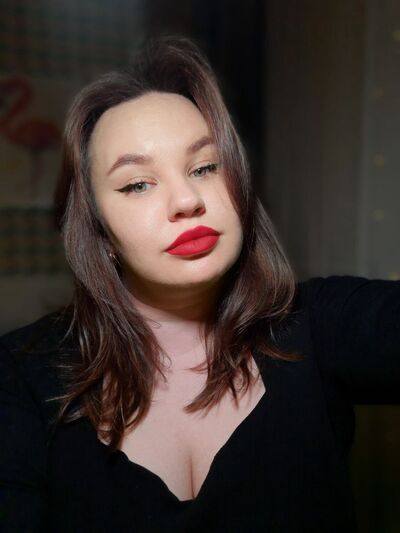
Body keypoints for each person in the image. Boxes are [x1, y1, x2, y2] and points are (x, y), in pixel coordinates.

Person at [0, 36, 399, 533]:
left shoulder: (320, 325)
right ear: (98, 231)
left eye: (205, 167)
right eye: (137, 184)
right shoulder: (19, 376)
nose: (187, 200)